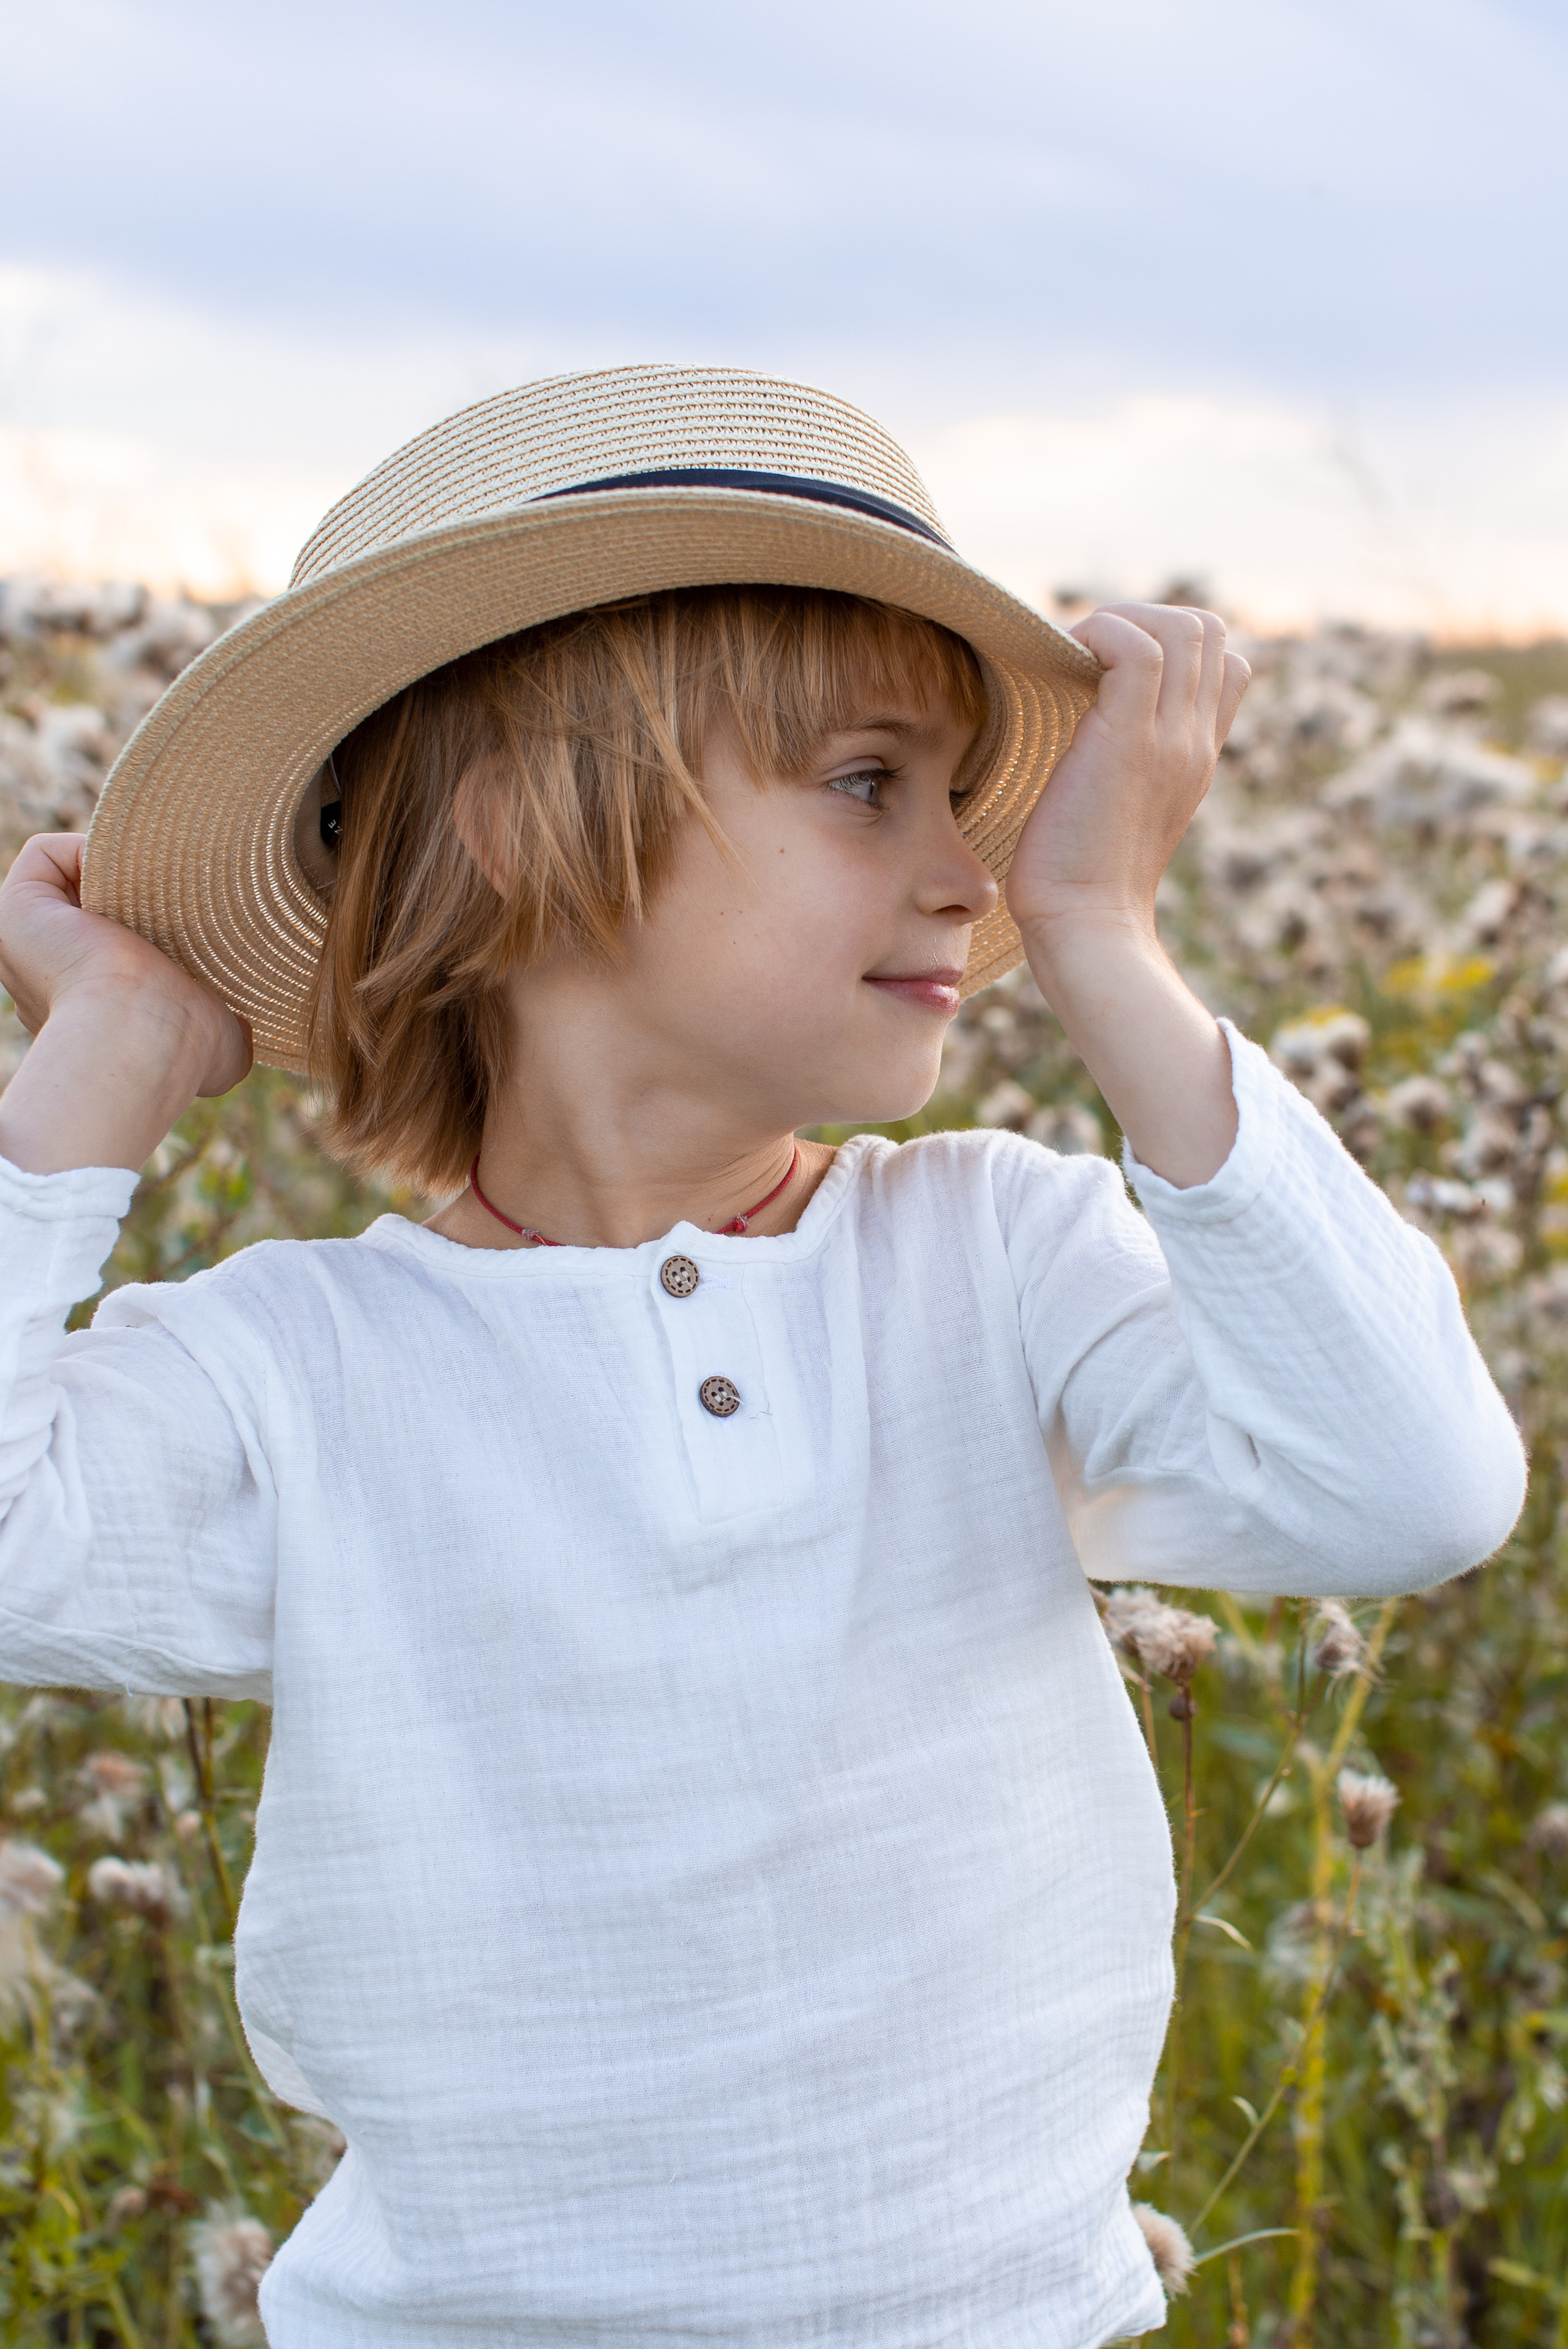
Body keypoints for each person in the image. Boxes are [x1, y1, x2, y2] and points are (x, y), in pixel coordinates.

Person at [0, 368, 1524, 2347]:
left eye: (973, 804)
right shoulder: (301, 1366)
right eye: (868, 782)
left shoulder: (1001, 1253)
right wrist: (103, 1051)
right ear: (521, 822)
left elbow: (1413, 1485)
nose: (969, 873)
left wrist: (1110, 940)